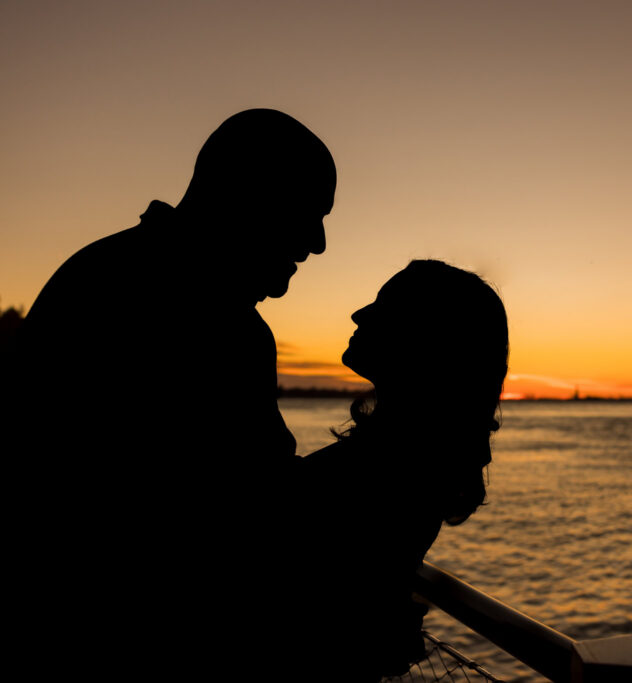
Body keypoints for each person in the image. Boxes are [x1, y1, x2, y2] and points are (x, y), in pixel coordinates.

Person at [5, 109, 336, 673]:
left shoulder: (100, 270)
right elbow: (242, 513)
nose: (319, 243)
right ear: (249, 194)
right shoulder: (214, 323)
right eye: (309, 211)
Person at [297, 259, 509, 680]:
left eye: (383, 306)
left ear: (423, 340)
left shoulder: (392, 469)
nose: (360, 314)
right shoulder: (408, 459)